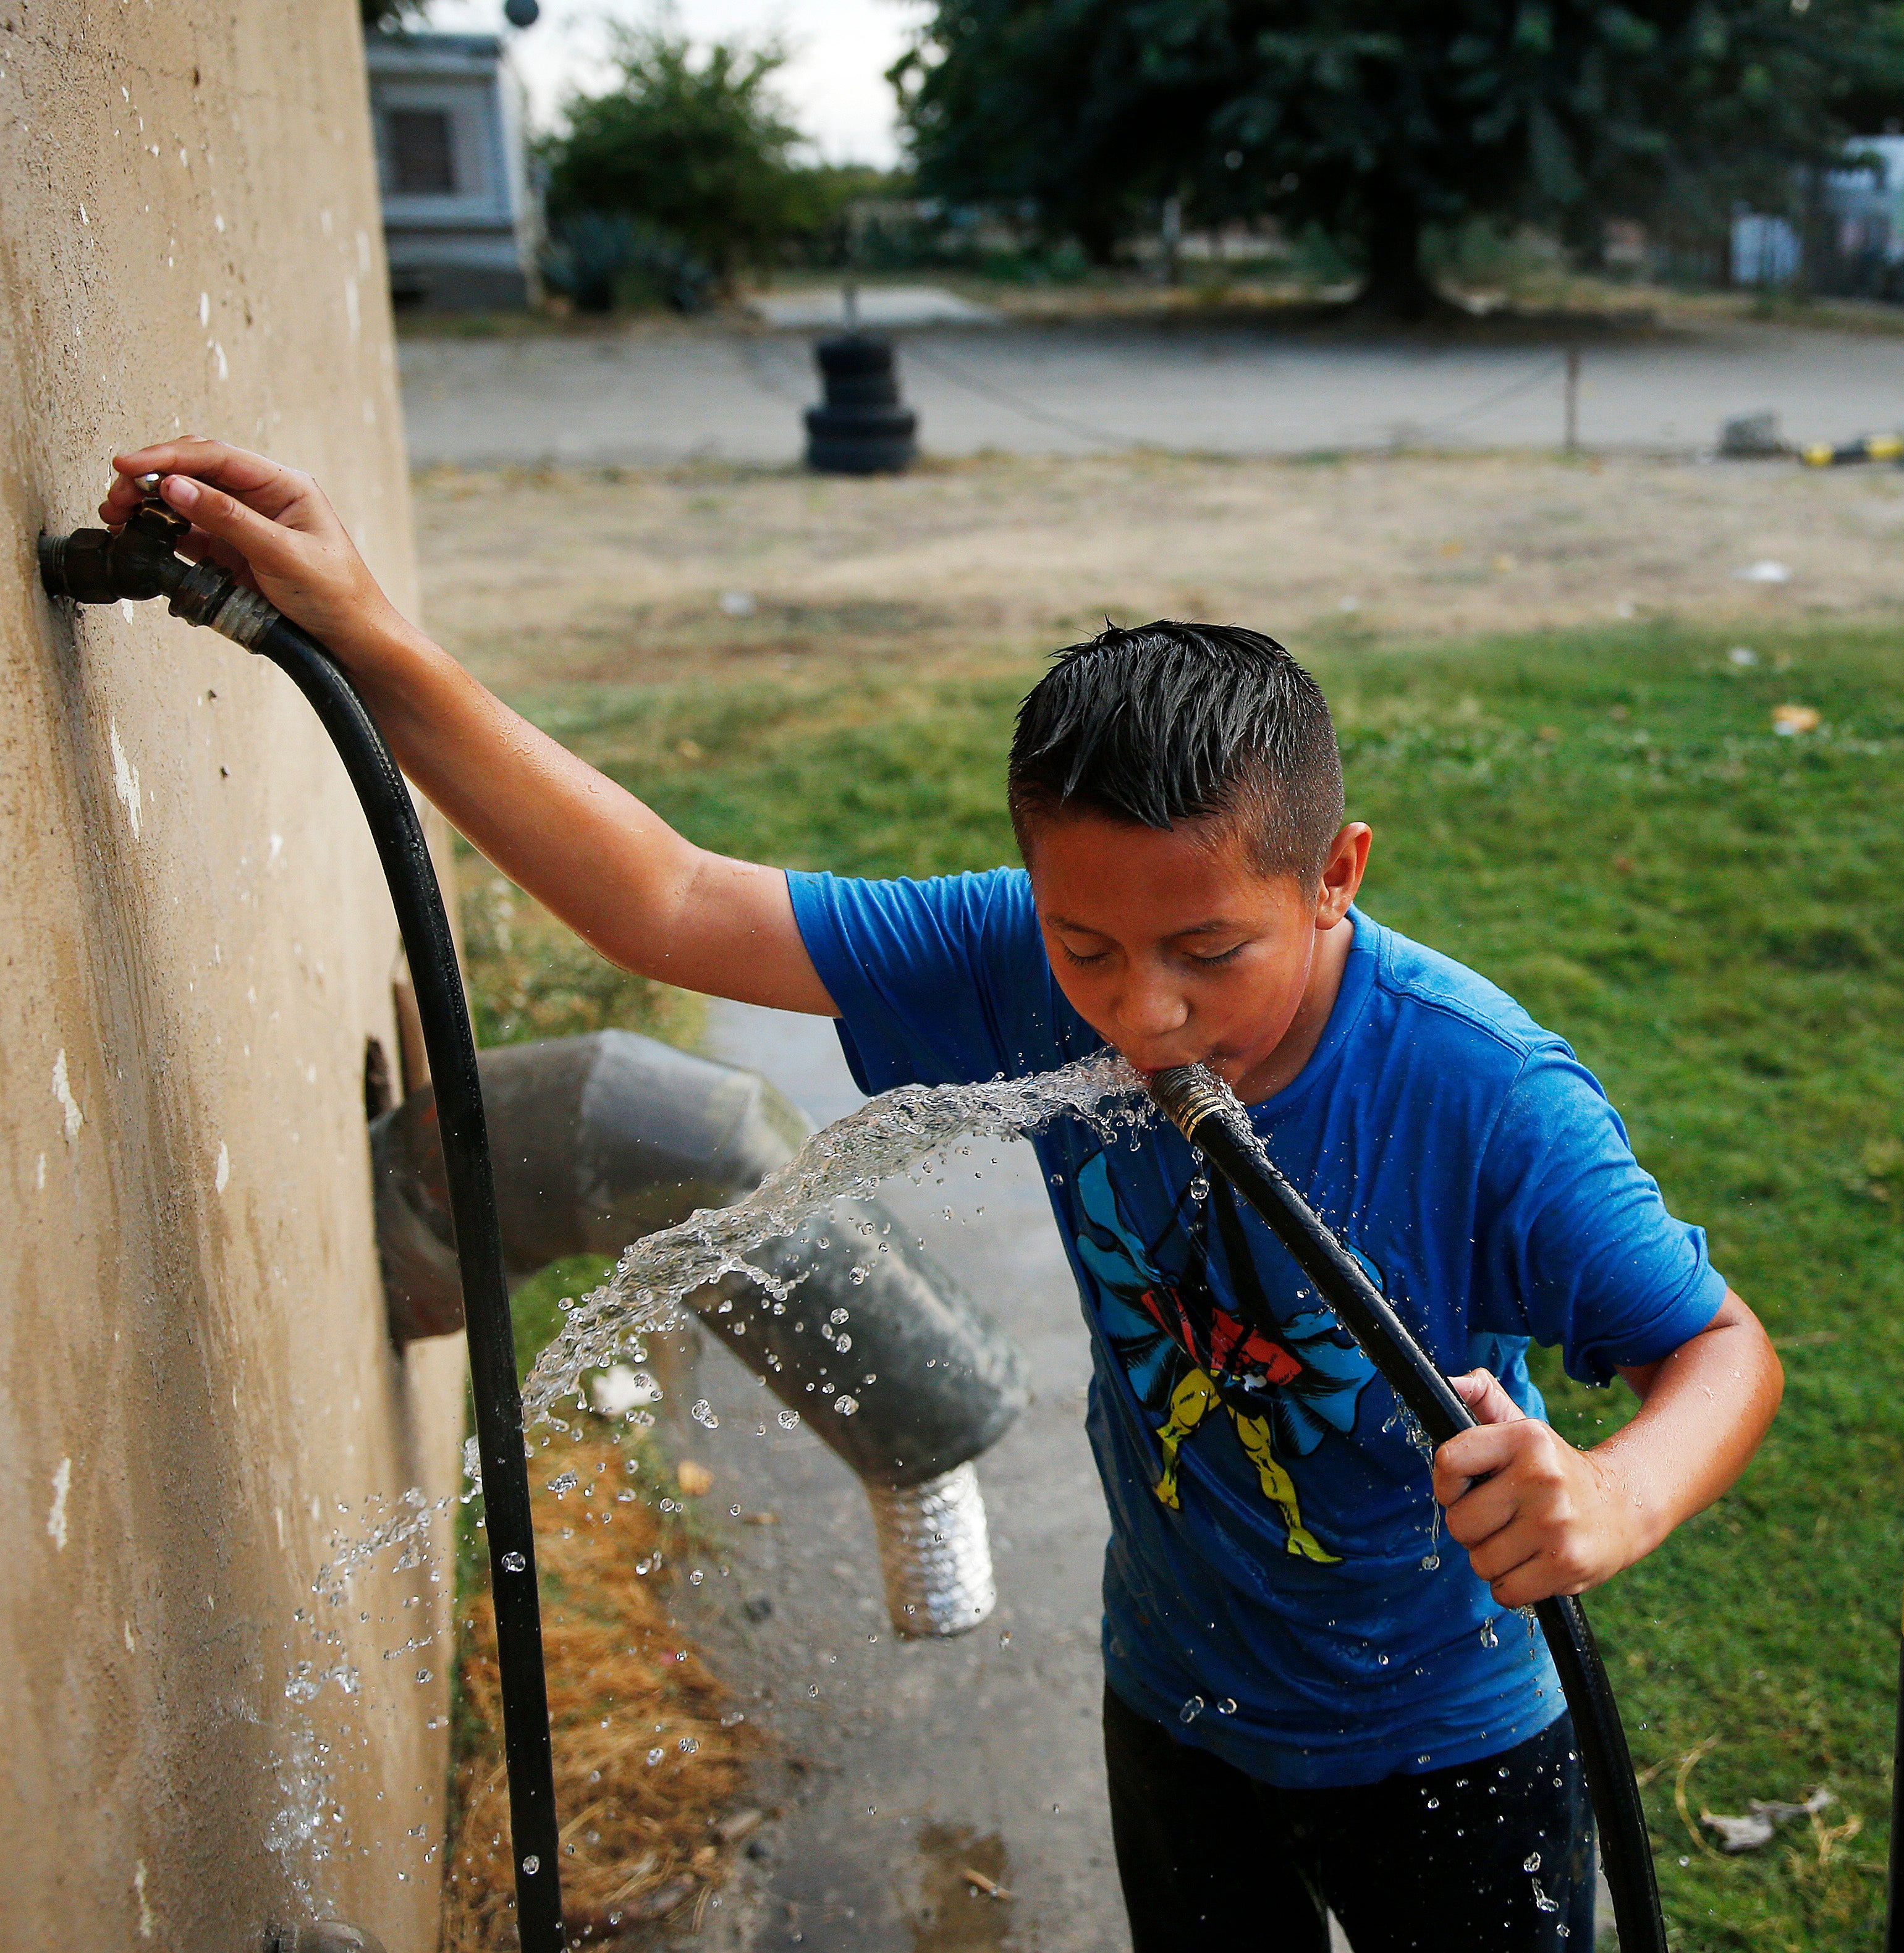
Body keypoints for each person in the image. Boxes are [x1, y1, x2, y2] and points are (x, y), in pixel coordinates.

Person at [103, 441, 1783, 1951]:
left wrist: (1617, 1501)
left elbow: (1715, 1347)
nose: (1141, 1012)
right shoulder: (1014, 958)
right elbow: (671, 897)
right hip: (1178, 1699)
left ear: (1336, 871)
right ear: (1034, 888)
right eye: (1088, 947)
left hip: (1447, 1742)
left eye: (1211, 952)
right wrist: (368, 636)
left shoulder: (1481, 1095)